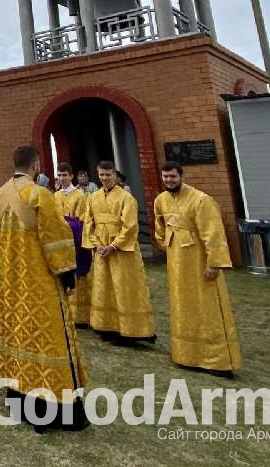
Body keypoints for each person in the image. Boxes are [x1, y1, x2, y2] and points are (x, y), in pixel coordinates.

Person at [0, 144, 88, 432]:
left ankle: (19, 400)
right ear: (35, 165)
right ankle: (56, 409)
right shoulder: (40, 195)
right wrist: (68, 272)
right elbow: (55, 238)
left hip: (12, 280)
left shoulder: (0, 194)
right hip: (40, 281)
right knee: (49, 336)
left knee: (19, 334)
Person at [153, 162, 242, 376]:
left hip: (199, 263)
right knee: (182, 306)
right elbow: (160, 229)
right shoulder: (161, 200)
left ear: (181, 176)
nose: (169, 181)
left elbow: (213, 233)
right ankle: (186, 354)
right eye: (165, 177)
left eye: (173, 177)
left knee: (207, 307)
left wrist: (214, 263)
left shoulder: (201, 200)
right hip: (177, 264)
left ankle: (217, 360)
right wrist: (167, 246)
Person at [84, 161, 156, 343]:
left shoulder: (127, 198)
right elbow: (88, 222)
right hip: (101, 248)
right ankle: (106, 326)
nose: (105, 178)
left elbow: (130, 226)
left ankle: (129, 330)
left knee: (123, 288)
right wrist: (97, 244)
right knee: (104, 287)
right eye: (101, 175)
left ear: (115, 176)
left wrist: (114, 246)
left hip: (121, 251)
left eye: (108, 175)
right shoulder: (93, 198)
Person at [52, 164, 91, 328]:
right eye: (59, 175)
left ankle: (80, 315)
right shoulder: (56, 195)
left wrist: (68, 225)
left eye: (64, 175)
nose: (62, 178)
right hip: (60, 240)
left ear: (71, 176)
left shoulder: (80, 195)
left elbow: (82, 218)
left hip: (76, 239)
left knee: (78, 274)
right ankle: (64, 312)